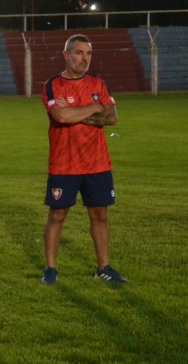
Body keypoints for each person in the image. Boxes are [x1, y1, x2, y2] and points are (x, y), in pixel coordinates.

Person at [40, 34, 127, 285]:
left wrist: (75, 112)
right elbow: (61, 117)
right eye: (79, 53)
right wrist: (95, 108)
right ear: (66, 55)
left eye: (88, 54)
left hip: (97, 163)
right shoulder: (53, 84)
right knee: (57, 215)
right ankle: (50, 268)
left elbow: (111, 118)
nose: (84, 58)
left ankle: (104, 268)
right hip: (64, 163)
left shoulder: (98, 83)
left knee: (100, 214)